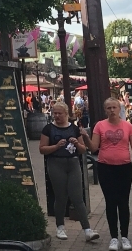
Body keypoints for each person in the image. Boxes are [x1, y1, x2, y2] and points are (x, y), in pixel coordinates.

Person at [39, 102, 100, 243]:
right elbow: (42, 149)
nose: (57, 116)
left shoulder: (74, 129)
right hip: (55, 163)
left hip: (72, 163)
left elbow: (83, 149)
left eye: (60, 113)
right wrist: (55, 146)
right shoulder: (48, 129)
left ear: (66, 114)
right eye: (54, 113)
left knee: (77, 196)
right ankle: (60, 226)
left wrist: (77, 143)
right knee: (61, 196)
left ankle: (87, 230)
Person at [91, 98, 132, 251]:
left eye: (114, 107)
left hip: (124, 167)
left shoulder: (127, 126)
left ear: (119, 109)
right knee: (110, 202)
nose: (112, 110)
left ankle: (125, 236)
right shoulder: (100, 125)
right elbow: (94, 147)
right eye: (109, 108)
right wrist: (84, 139)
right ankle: (114, 237)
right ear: (105, 110)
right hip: (105, 167)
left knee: (123, 202)